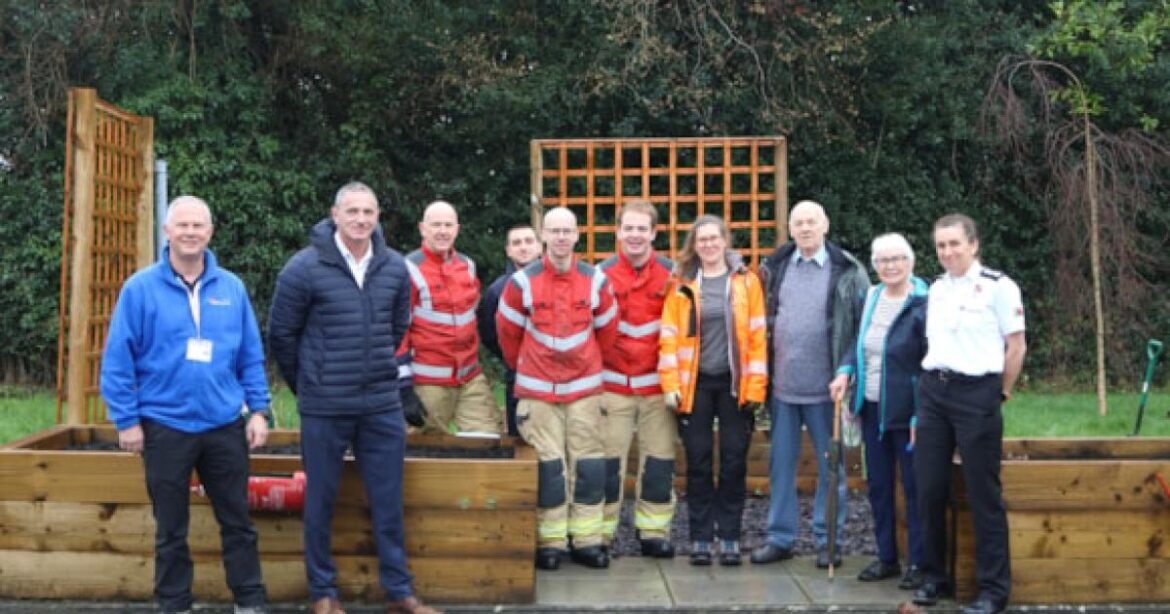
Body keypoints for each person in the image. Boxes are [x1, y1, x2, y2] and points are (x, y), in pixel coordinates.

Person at [268, 182, 440, 614]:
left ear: (377, 216)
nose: (361, 220)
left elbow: (397, 326)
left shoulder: (395, 268)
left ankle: (399, 592)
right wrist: (310, 383)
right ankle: (323, 594)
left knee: (388, 501)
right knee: (320, 502)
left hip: (380, 404)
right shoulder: (303, 269)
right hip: (325, 405)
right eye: (352, 212)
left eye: (368, 212)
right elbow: (282, 335)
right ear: (335, 214)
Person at [100, 195, 270, 614]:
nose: (191, 232)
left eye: (199, 226)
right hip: (164, 425)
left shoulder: (231, 287)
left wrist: (260, 410)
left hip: (223, 423)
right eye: (183, 225)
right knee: (171, 529)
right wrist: (127, 420)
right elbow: (118, 359)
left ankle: (249, 602)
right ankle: (175, 604)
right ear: (167, 231)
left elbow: (250, 354)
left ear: (210, 232)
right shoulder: (139, 288)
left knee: (238, 524)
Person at [912, 214, 1026, 614]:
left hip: (977, 393)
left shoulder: (999, 287)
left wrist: (1000, 392)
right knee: (928, 488)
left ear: (973, 245)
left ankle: (994, 591)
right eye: (941, 245)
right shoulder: (937, 289)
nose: (947, 252)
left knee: (983, 494)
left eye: (954, 244)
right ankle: (933, 577)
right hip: (933, 392)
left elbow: (1016, 347)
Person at [495, 207, 619, 571]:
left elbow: (608, 332)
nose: (562, 237)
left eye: (568, 231)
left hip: (584, 391)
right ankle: (550, 542)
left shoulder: (595, 280)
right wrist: (533, 370)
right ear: (543, 235)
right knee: (550, 468)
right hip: (538, 393)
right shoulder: (521, 284)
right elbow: (508, 336)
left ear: (578, 235)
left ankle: (588, 541)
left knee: (589, 466)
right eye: (555, 231)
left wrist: (587, 366)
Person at [753, 200, 870, 569]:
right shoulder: (773, 268)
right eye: (798, 223)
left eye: (811, 222)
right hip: (783, 390)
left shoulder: (848, 271)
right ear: (790, 229)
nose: (805, 228)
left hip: (827, 392)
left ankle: (827, 539)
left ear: (826, 225)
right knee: (780, 467)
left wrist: (846, 370)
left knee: (830, 467)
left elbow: (860, 329)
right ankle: (780, 537)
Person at [659, 215, 768, 566]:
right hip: (696, 386)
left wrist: (755, 387)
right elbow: (669, 338)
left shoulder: (746, 282)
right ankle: (701, 538)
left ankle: (731, 537)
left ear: (725, 240)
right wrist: (671, 385)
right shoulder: (682, 284)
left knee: (735, 461)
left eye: (713, 238)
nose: (708, 244)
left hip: (734, 386)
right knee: (699, 462)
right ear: (695, 244)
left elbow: (756, 338)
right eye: (701, 239)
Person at [829, 232, 927, 590]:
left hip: (908, 412)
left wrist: (922, 413)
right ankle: (887, 556)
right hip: (871, 408)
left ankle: (919, 561)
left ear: (910, 262)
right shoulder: (871, 296)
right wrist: (845, 372)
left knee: (915, 487)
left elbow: (930, 361)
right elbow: (858, 343)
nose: (890, 266)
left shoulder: (924, 301)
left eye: (897, 259)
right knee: (879, 485)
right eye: (883, 260)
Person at [596, 199, 677, 558]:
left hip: (657, 388)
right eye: (628, 228)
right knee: (607, 463)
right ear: (617, 231)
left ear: (654, 233)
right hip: (612, 385)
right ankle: (601, 532)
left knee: (659, 462)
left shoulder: (673, 274)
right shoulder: (600, 275)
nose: (634, 235)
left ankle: (653, 531)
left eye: (642, 228)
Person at [401, 200, 500, 435]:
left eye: (448, 225)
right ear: (422, 229)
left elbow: (473, 318)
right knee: (424, 454)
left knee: (486, 441)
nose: (443, 231)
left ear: (457, 229)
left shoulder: (467, 266)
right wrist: (403, 386)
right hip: (427, 382)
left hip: (469, 377)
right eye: (436, 225)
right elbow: (398, 332)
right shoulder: (407, 269)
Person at [478, 223, 542, 436]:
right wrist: (514, 356)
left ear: (540, 246)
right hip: (518, 377)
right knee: (521, 440)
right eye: (517, 243)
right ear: (508, 250)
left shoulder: (558, 282)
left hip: (557, 378)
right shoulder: (497, 290)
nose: (523, 247)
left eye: (528, 241)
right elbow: (488, 333)